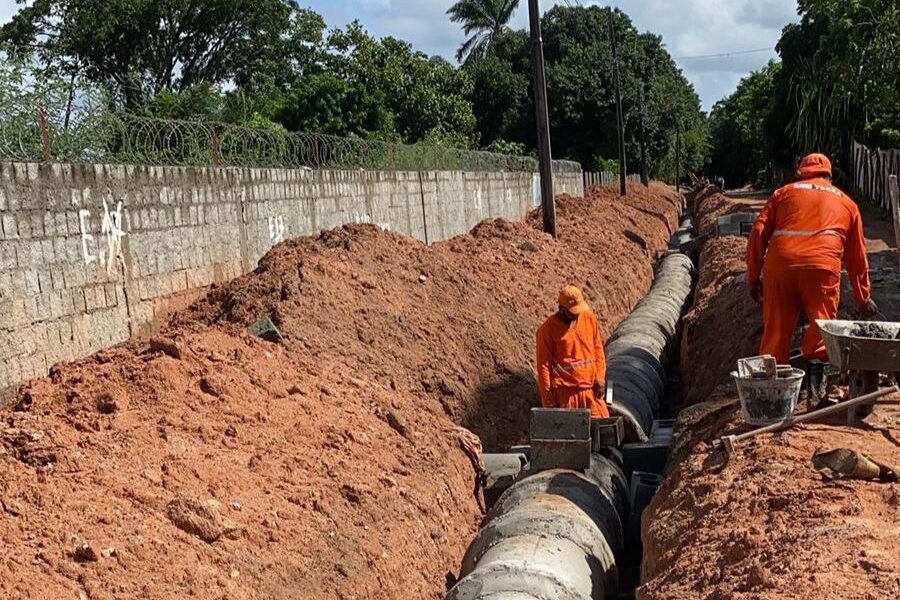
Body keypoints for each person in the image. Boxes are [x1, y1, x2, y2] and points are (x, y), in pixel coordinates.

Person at [746, 152, 878, 402]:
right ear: (829, 175)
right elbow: (857, 255)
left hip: (780, 267)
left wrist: (753, 278)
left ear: (801, 172)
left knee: (775, 333)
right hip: (821, 269)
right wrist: (863, 297)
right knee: (821, 327)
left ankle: (771, 397)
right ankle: (815, 393)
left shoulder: (783, 193)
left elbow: (758, 231)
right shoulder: (848, 204)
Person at [536, 285, 609, 418]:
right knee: (572, 433)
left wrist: (600, 378)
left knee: (602, 429)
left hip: (590, 391)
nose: (576, 314)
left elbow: (598, 349)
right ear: (562, 308)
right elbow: (543, 366)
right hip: (566, 395)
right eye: (572, 312)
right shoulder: (547, 330)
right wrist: (549, 402)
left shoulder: (588, 318)